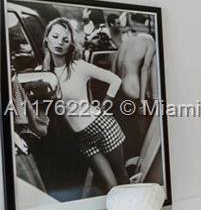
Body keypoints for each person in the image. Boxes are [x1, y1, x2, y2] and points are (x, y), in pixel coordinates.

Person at [39, 17, 128, 195]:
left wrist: (105, 105)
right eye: (55, 36)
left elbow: (115, 80)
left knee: (121, 176)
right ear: (47, 38)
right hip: (82, 139)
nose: (59, 43)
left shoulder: (79, 66)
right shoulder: (41, 73)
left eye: (65, 39)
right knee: (111, 186)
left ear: (70, 44)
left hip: (102, 127)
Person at [112, 12, 158, 170]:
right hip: (134, 89)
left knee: (126, 130)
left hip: (120, 89)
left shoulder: (127, 42)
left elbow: (114, 66)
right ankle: (139, 165)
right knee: (140, 133)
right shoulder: (150, 42)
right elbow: (145, 69)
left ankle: (125, 162)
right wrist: (144, 100)